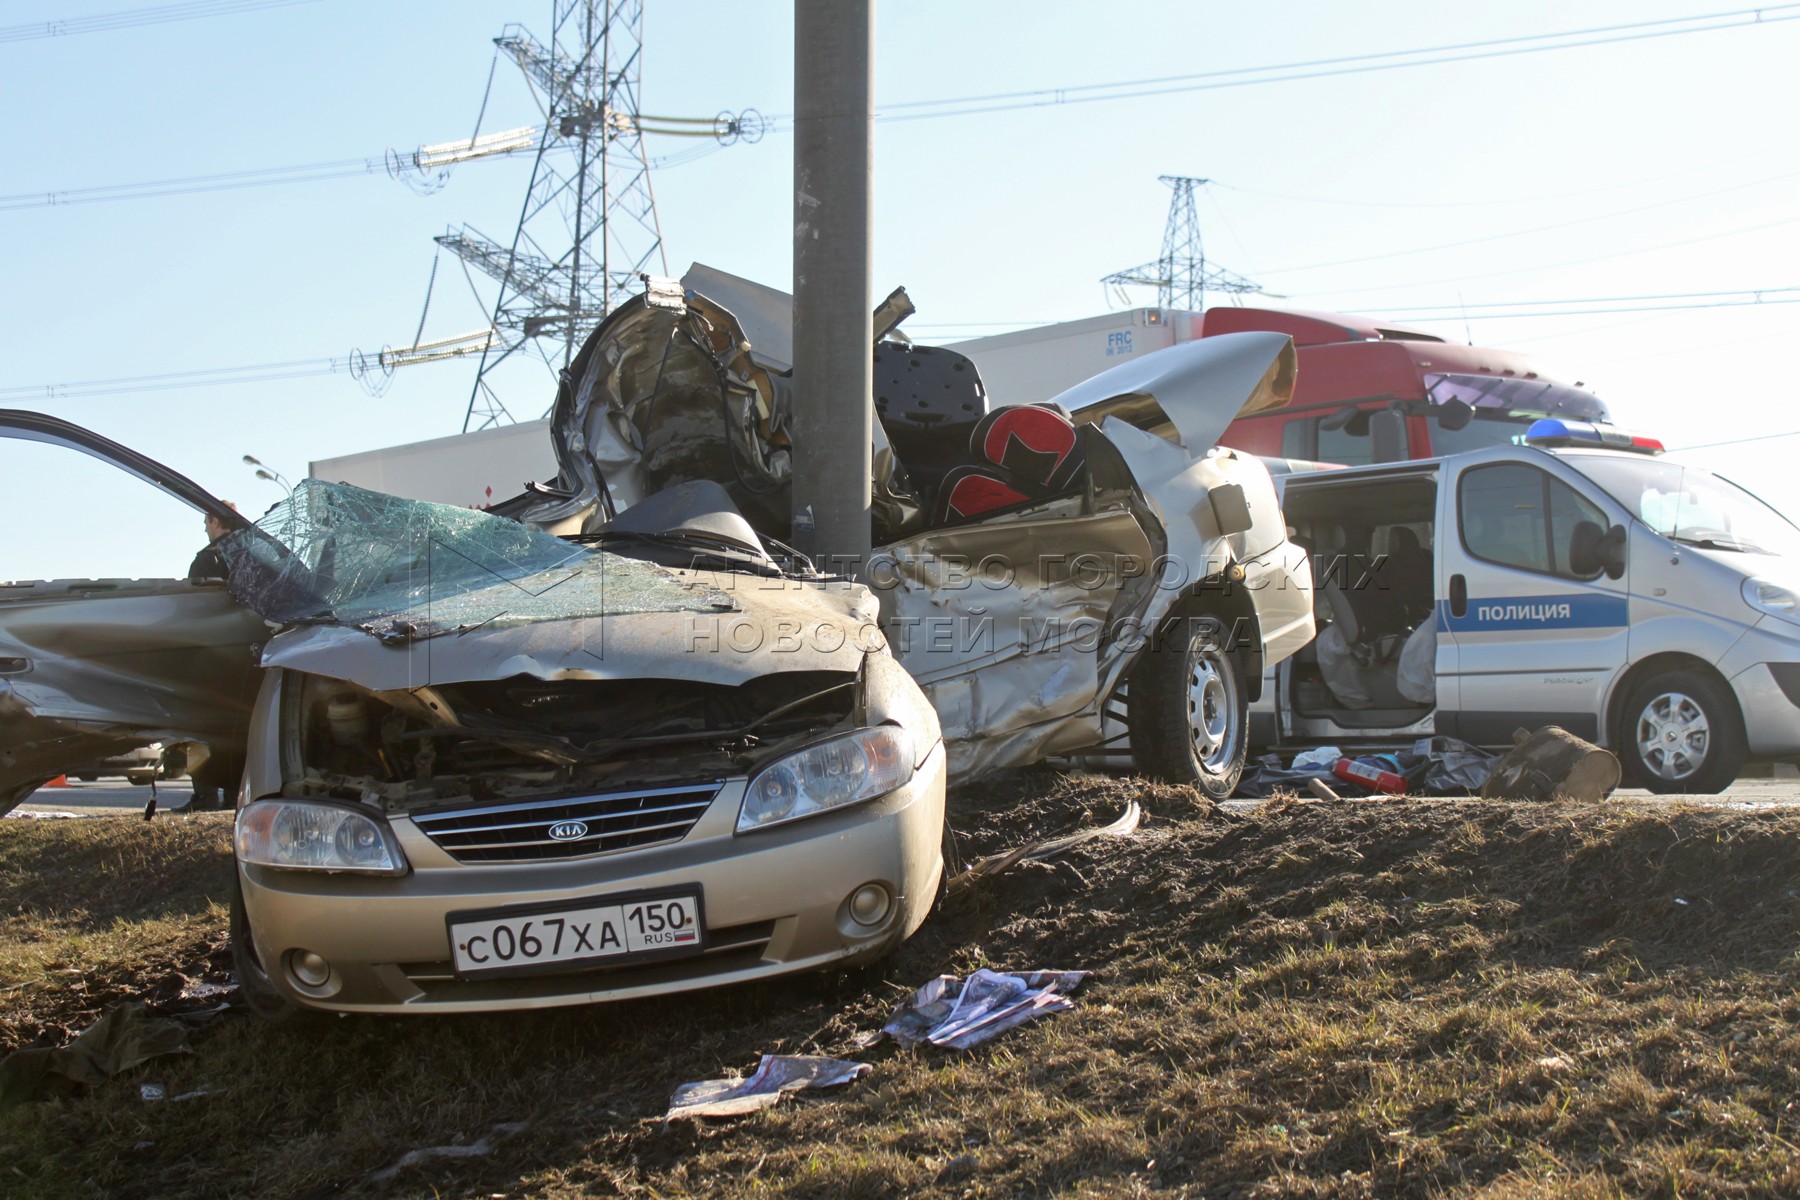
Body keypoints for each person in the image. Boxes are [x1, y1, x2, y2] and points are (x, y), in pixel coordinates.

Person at [187, 502, 238, 584]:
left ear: (215, 522)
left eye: (206, 523)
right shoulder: (252, 552)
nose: (205, 530)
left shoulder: (206, 560)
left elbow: (196, 595)